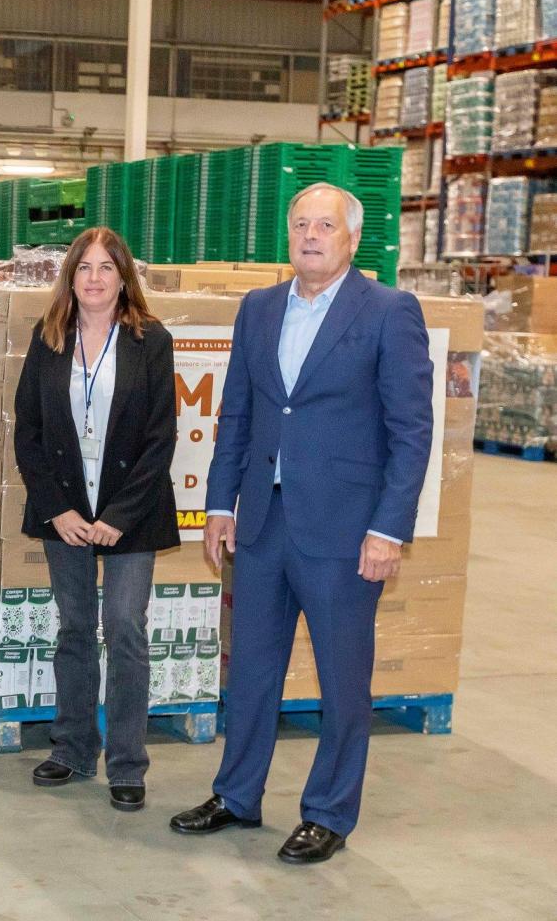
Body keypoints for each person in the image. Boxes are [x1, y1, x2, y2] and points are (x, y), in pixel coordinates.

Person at [170, 183, 433, 864]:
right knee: (253, 667)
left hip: (345, 530)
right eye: (300, 224)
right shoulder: (258, 309)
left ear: (351, 239)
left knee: (344, 680)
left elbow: (411, 431)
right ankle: (237, 795)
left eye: (324, 225)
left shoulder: (387, 312)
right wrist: (221, 504)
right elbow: (240, 413)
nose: (310, 235)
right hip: (262, 520)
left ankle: (328, 812)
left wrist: (389, 528)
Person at [11, 228, 179, 813]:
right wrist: (58, 509)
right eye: (84, 267)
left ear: (124, 276)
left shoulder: (151, 340)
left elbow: (162, 438)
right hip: (65, 507)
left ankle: (127, 763)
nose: (95, 278)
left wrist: (119, 517)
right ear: (71, 277)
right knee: (76, 628)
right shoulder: (49, 336)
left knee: (126, 630)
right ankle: (74, 748)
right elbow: (27, 431)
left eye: (107, 267)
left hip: (130, 509)